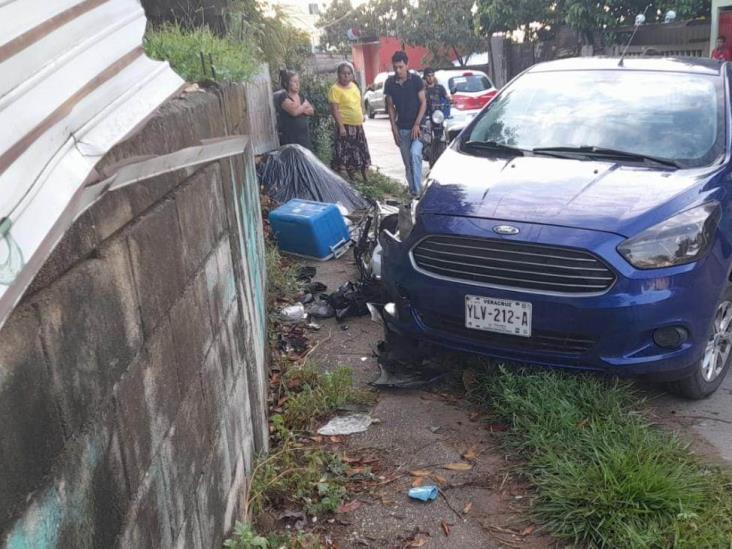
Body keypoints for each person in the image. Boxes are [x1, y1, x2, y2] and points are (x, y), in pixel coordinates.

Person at [384, 51, 427, 196]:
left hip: (419, 128)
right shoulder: (390, 83)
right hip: (402, 129)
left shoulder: (416, 80)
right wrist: (394, 130)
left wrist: (417, 124)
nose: (398, 70)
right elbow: (390, 107)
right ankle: (413, 190)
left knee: (415, 155)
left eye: (401, 67)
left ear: (407, 65)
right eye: (395, 67)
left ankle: (418, 192)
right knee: (408, 164)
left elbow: (423, 103)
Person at [328, 62, 371, 182]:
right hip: (345, 126)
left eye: (349, 73)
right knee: (345, 153)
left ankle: (365, 178)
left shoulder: (354, 86)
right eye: (343, 73)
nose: (346, 76)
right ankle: (347, 178)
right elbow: (334, 109)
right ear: (338, 74)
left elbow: (360, 100)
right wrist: (341, 126)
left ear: (352, 75)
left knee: (361, 151)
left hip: (357, 126)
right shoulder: (335, 89)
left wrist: (363, 113)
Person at [275, 69, 314, 149]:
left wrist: (300, 109)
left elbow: (311, 111)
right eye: (294, 81)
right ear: (286, 83)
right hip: (291, 140)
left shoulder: (301, 96)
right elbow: (294, 112)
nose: (297, 84)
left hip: (304, 139)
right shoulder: (283, 96)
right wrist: (303, 107)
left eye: (298, 81)